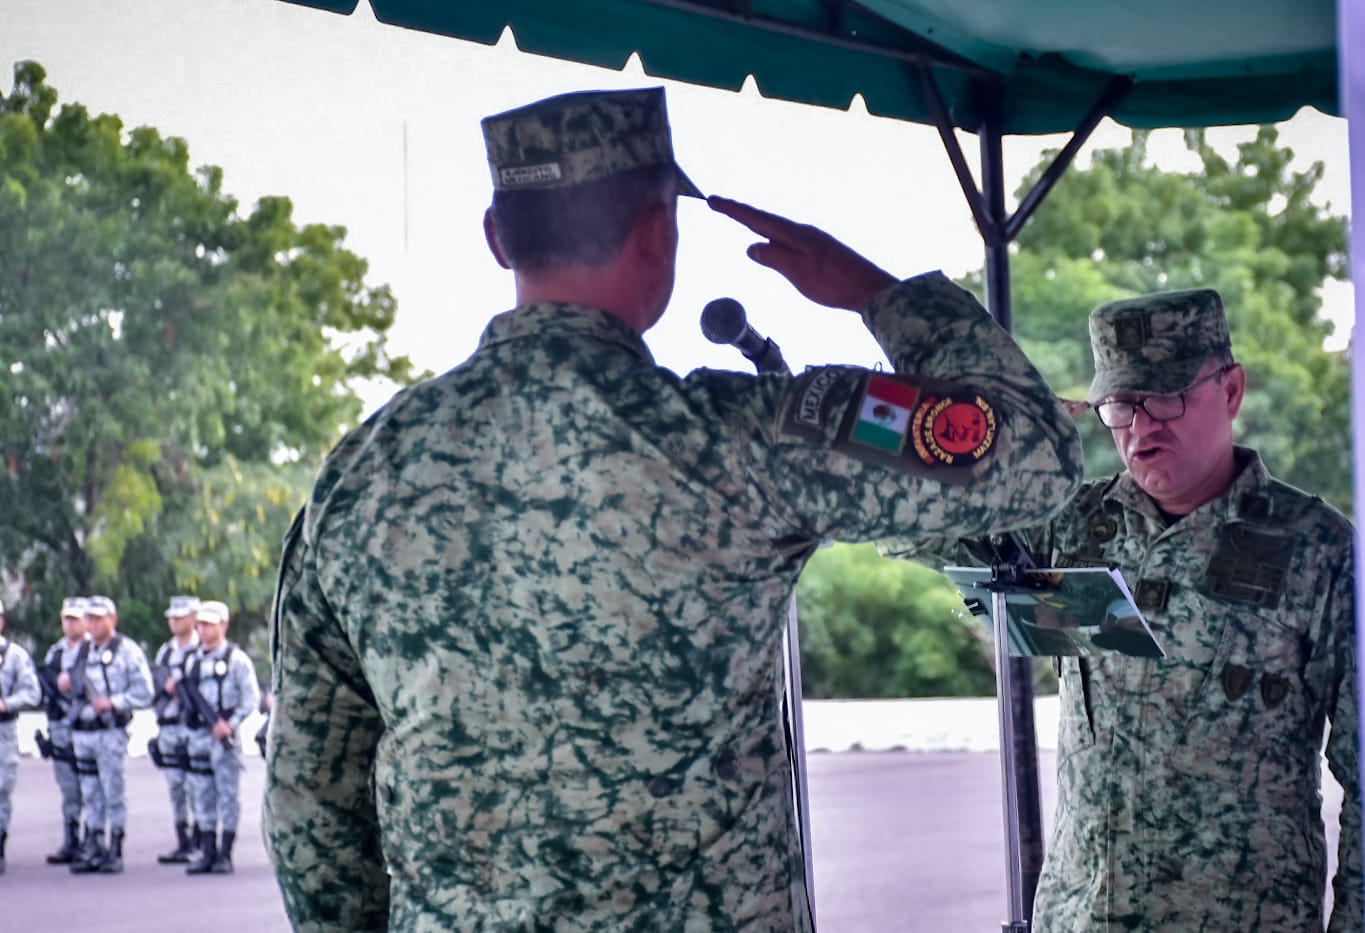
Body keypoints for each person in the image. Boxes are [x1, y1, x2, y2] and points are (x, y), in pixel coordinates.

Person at [264, 86, 1084, 931]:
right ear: (661, 230)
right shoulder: (745, 436)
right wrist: (877, 293)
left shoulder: (358, 472)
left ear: (497, 235)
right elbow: (1032, 453)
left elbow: (310, 800)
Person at [889, 288, 1360, 931]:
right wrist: (1008, 439)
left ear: (1230, 391)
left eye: (1165, 397)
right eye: (1120, 405)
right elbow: (905, 522)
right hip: (1085, 916)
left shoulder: (1318, 549)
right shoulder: (1067, 527)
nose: (1140, 428)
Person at [67, 595, 153, 874]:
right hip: (83, 733)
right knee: (90, 792)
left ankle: (115, 847)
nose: (93, 624)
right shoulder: (81, 652)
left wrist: (114, 702)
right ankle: (93, 844)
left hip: (109, 731)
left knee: (112, 790)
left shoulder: (127, 651)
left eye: (98, 618)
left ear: (112, 620)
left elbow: (145, 692)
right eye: (89, 618)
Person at [183, 599, 259, 875]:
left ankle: (225, 853)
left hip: (224, 738)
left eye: (209, 624)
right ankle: (207, 851)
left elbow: (250, 698)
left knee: (227, 796)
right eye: (200, 624)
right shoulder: (191, 661)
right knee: (201, 795)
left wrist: (232, 724)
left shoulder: (237, 660)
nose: (203, 629)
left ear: (223, 625)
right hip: (199, 738)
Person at [36, 596, 89, 864]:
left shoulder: (94, 650)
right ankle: (71, 839)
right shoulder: (55, 653)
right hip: (60, 726)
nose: (70, 624)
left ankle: (92, 840)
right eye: (66, 619)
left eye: (75, 619)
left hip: (87, 726)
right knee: (68, 786)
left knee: (91, 786)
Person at [149, 595, 202, 864]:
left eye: (180, 617)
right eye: (172, 617)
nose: (174, 622)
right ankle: (182, 841)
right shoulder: (166, 652)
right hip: (169, 727)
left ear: (194, 618)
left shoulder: (201, 649)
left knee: (197, 787)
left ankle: (201, 841)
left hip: (191, 727)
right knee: (176, 787)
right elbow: (155, 686)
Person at [0, 599, 41, 874]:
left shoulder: (14, 656)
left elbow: (32, 692)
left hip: (3, 731)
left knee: (0, 790)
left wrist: (7, 703)